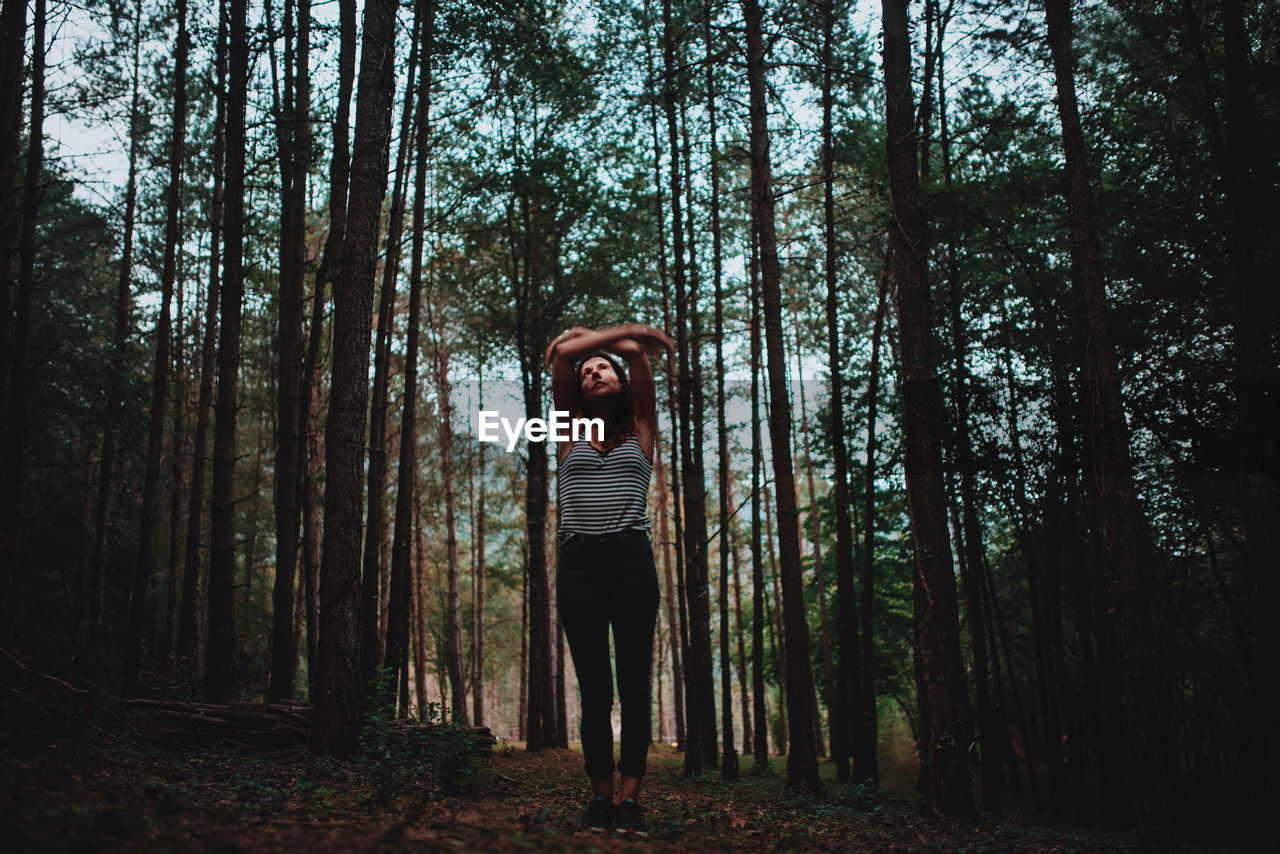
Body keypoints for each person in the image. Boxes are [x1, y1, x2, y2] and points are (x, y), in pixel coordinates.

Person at [543, 322, 675, 836]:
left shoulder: (643, 425)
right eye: (588, 371)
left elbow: (638, 360)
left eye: (604, 368)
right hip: (578, 567)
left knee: (635, 688)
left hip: (630, 562)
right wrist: (624, 332)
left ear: (619, 380)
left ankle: (629, 802)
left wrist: (609, 342)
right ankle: (599, 798)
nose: (595, 371)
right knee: (595, 690)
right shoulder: (567, 428)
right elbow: (560, 358)